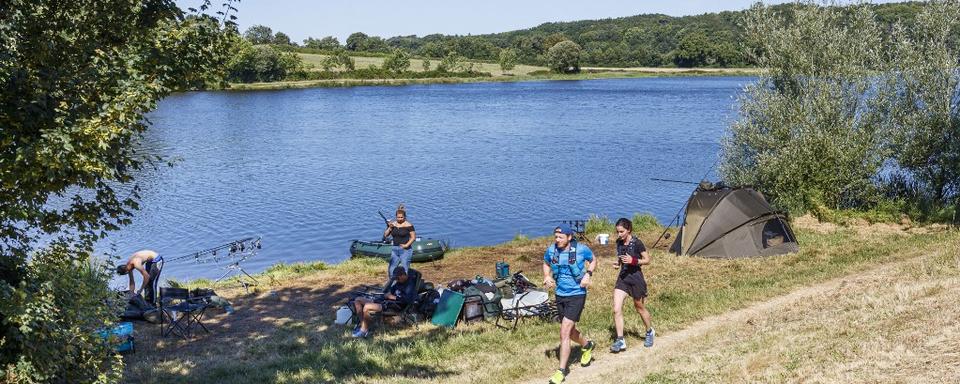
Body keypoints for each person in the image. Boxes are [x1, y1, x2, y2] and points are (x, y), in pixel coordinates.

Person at [543, 224, 597, 384]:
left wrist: (588, 274)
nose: (557, 240)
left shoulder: (581, 249)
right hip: (560, 295)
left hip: (577, 294)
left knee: (564, 332)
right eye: (555, 237)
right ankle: (587, 345)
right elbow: (546, 263)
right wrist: (547, 276)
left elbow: (593, 260)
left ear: (569, 237)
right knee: (571, 331)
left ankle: (561, 371)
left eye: (560, 237)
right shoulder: (551, 251)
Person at [609, 217, 654, 353]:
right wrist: (618, 263)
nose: (619, 235)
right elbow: (621, 257)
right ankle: (620, 340)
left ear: (629, 230)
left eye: (621, 232)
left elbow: (647, 260)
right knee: (616, 309)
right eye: (617, 232)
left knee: (639, 307)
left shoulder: (637, 243)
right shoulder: (619, 242)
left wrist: (633, 260)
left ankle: (649, 331)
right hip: (623, 278)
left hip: (636, 279)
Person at [351, 266, 420, 338]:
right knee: (358, 300)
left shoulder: (410, 286)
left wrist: (393, 297)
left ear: (403, 275)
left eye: (397, 278)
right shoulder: (399, 282)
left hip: (393, 305)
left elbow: (409, 300)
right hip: (384, 301)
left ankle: (363, 330)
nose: (396, 280)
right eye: (395, 278)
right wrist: (386, 293)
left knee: (367, 306)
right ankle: (363, 325)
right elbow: (390, 291)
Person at [383, 204, 416, 276]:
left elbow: (413, 237)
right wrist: (390, 228)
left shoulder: (408, 225)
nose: (400, 219)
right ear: (396, 217)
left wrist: (406, 245)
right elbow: (385, 235)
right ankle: (392, 284)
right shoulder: (393, 224)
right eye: (398, 217)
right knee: (391, 268)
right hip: (395, 249)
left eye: (401, 217)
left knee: (405, 269)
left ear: (404, 217)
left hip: (405, 250)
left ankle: (405, 285)